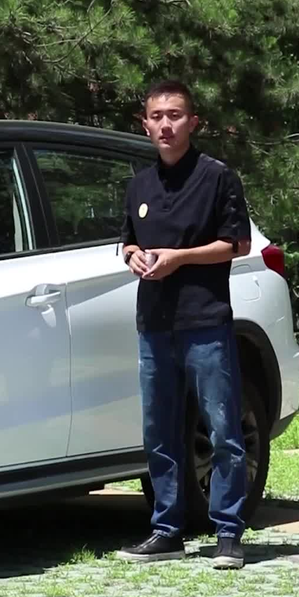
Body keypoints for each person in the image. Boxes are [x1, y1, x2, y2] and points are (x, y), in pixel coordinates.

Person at [118, 80, 251, 570]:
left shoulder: (216, 177)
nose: (165, 125)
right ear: (145, 125)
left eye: (175, 115)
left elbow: (237, 244)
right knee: (159, 431)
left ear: (193, 122)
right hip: (154, 324)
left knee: (222, 429)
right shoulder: (139, 184)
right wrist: (133, 255)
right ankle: (166, 530)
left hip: (205, 321)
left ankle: (228, 533)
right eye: (156, 116)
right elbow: (127, 240)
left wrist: (180, 258)